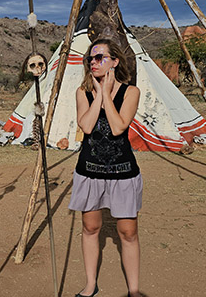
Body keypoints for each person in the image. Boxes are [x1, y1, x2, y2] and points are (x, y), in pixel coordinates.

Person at [69, 38, 142, 297]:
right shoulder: (83, 92)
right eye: (90, 58)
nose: (93, 62)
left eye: (99, 58)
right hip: (90, 171)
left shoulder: (131, 92)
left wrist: (108, 94)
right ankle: (91, 284)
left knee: (128, 232)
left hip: (123, 173)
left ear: (115, 61)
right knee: (90, 228)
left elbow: (119, 126)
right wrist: (99, 92)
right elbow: (87, 126)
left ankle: (133, 290)